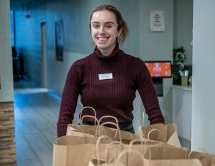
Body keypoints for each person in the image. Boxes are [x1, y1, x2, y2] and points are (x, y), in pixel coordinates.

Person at [57, 4, 164, 137]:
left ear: (118, 30)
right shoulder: (78, 68)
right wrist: (64, 146)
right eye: (96, 25)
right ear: (91, 29)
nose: (101, 31)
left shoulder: (136, 66)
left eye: (108, 26)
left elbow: (155, 114)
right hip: (87, 139)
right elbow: (64, 117)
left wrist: (160, 146)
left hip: (124, 138)